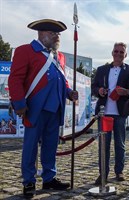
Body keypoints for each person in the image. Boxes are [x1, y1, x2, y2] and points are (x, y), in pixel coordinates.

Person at [8, 19, 78, 198]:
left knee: (50, 145)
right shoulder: (26, 50)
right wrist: (19, 104)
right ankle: (29, 181)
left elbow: (61, 80)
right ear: (41, 33)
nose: (57, 37)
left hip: (55, 108)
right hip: (35, 108)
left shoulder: (59, 56)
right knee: (31, 146)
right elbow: (15, 79)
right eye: (53, 33)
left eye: (58, 34)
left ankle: (49, 178)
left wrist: (69, 93)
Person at [91, 42, 129, 183]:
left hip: (120, 113)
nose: (118, 54)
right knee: (103, 145)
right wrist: (99, 91)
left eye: (121, 52)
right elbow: (94, 87)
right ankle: (103, 173)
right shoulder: (101, 69)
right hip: (104, 113)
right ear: (112, 53)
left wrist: (126, 92)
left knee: (120, 144)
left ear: (125, 55)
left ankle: (119, 171)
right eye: (116, 51)